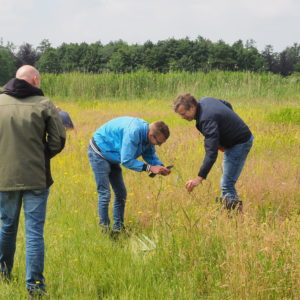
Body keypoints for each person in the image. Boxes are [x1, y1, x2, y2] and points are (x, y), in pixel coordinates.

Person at [0, 65, 66, 296]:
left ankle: (3, 273)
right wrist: (41, 155)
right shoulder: (44, 104)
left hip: (4, 177)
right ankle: (35, 287)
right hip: (36, 177)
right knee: (34, 232)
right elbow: (58, 140)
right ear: (35, 79)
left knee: (7, 226)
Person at [88, 117, 171, 233]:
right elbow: (126, 160)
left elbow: (149, 154)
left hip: (113, 155)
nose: (159, 145)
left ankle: (118, 229)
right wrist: (149, 168)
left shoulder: (148, 134)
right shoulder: (134, 132)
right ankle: (105, 231)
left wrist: (160, 166)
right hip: (99, 152)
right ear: (151, 135)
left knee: (121, 193)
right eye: (159, 142)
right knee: (105, 194)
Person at [173, 93, 254, 209]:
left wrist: (199, 178)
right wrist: (228, 127)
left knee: (227, 184)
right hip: (237, 140)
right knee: (226, 182)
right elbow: (227, 105)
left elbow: (211, 153)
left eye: (183, 114)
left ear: (191, 107)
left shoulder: (206, 120)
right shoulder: (205, 100)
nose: (182, 117)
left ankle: (235, 217)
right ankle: (226, 210)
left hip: (239, 144)